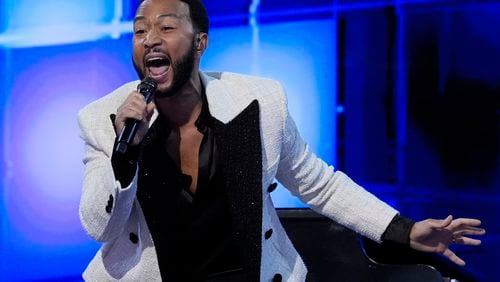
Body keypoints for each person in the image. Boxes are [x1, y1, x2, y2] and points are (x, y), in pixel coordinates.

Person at [77, 0, 485, 281]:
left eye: (166, 27)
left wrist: (404, 231)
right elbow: (100, 227)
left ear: (200, 42)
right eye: (139, 31)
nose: (150, 39)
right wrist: (124, 154)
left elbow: (318, 184)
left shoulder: (258, 101)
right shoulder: (103, 118)